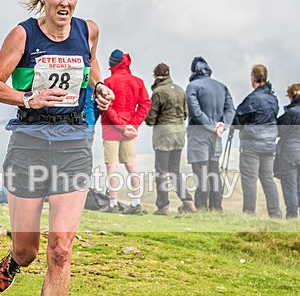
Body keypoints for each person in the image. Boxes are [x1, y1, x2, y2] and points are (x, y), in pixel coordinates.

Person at [0, 0, 113, 296]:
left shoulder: (87, 29)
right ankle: (13, 260)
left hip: (74, 144)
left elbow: (91, 66)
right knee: (29, 249)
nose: (65, 3)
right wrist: (26, 99)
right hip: (30, 143)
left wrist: (100, 88)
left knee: (61, 248)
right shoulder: (23, 34)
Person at [100, 50, 151, 214]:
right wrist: (133, 125)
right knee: (131, 165)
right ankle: (136, 203)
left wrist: (121, 125)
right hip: (129, 129)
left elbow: (107, 107)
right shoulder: (138, 82)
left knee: (112, 167)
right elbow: (145, 104)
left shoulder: (108, 82)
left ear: (112, 63)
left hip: (111, 128)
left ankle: (113, 204)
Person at [231, 64, 282, 217]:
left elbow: (237, 119)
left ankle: (249, 213)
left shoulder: (253, 98)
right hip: (269, 145)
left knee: (249, 180)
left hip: (252, 145)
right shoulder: (273, 99)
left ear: (253, 78)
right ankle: (275, 213)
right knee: (267, 179)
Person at [185, 57, 235, 211]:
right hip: (217, 135)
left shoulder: (192, 86)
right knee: (214, 170)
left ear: (193, 70)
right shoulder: (222, 86)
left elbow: (195, 111)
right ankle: (216, 207)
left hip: (199, 134)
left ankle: (201, 207)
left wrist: (212, 126)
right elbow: (231, 109)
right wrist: (222, 125)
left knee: (201, 171)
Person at [145, 63, 195, 215]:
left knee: (161, 171)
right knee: (175, 171)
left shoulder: (158, 92)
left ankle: (163, 206)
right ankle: (188, 202)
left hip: (164, 135)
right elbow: (186, 113)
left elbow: (151, 119)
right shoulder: (180, 90)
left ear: (155, 75)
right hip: (179, 132)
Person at [274, 83, 300, 220]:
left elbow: (277, 130)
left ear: (290, 97)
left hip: (290, 154)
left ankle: (291, 218)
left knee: (289, 187)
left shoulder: (291, 113)